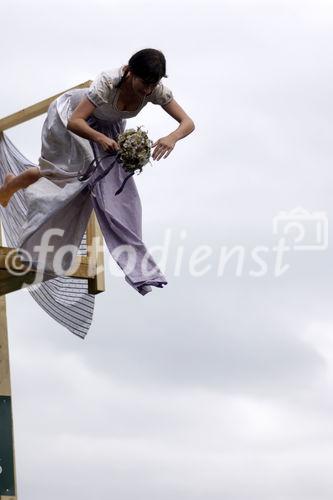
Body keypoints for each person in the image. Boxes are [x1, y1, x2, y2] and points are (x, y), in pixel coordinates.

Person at [0, 48, 195, 295]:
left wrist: (172, 137)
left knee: (97, 185)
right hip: (70, 118)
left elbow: (187, 123)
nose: (147, 90)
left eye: (153, 84)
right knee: (68, 175)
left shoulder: (156, 90)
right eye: (143, 83)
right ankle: (12, 186)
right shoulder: (106, 82)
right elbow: (75, 122)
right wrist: (100, 138)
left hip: (107, 129)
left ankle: (139, 269)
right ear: (130, 72)